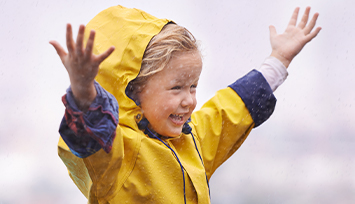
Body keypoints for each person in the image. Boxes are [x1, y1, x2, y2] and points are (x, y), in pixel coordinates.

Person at [50, 5, 321, 204]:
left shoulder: (192, 141)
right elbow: (87, 135)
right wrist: (85, 92)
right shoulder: (116, 154)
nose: (190, 100)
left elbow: (230, 108)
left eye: (193, 86)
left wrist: (279, 59)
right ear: (134, 91)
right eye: (177, 87)